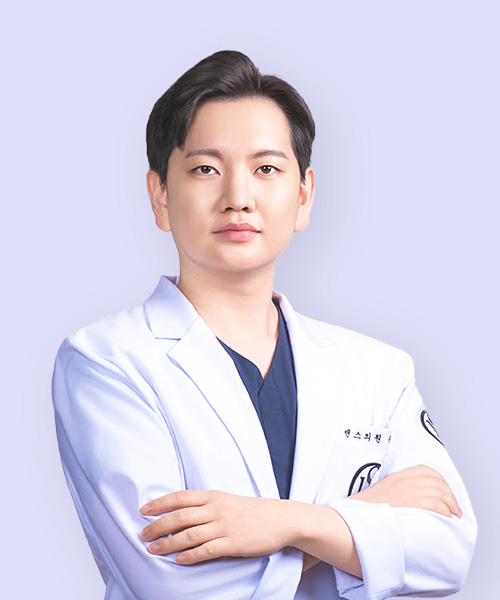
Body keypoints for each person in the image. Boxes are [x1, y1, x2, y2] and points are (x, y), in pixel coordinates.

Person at [52, 50, 477, 600]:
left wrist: (283, 523)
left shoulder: (378, 371)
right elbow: (177, 585)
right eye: (205, 169)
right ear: (160, 196)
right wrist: (362, 520)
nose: (238, 199)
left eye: (266, 169)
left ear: (303, 196)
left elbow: (448, 553)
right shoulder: (106, 361)